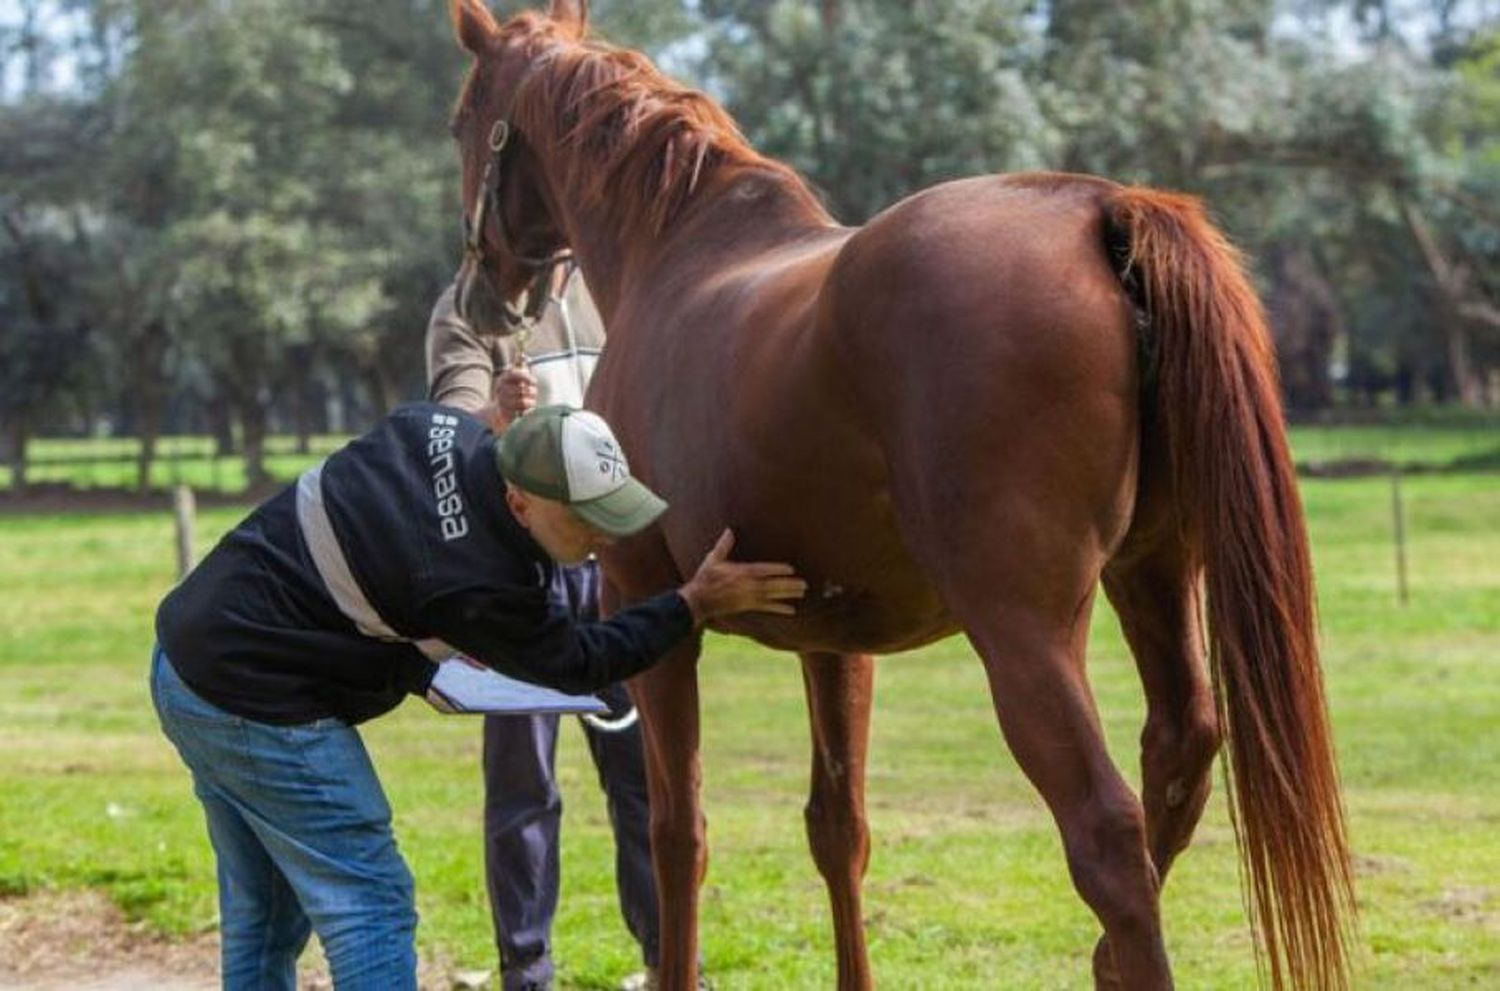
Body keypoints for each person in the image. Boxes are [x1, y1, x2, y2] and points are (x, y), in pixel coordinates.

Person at [151, 399, 806, 991]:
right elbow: (582, 660)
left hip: (187, 661)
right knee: (370, 896)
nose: (606, 536)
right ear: (520, 502)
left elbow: (397, 530)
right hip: (251, 697)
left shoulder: (439, 425)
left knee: (265, 913)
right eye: (585, 519)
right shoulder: (479, 580)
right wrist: (693, 602)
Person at [426, 265, 669, 991]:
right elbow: (452, 430)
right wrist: (496, 417)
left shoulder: (615, 285)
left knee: (641, 776)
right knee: (523, 782)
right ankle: (527, 974)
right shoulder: (468, 310)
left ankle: (669, 961)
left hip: (617, 559)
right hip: (520, 571)